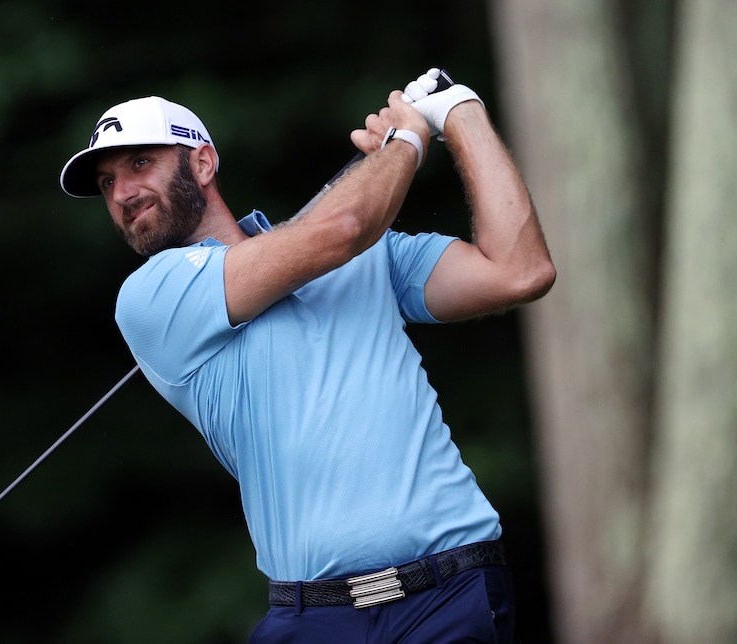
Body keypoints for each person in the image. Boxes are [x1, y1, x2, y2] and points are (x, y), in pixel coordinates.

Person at [59, 69, 555, 643]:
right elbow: (343, 225)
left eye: (140, 164)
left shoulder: (368, 255)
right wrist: (406, 143)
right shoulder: (149, 299)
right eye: (106, 183)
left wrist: (458, 113)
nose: (121, 193)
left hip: (450, 593)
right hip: (314, 619)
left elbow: (520, 271)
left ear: (201, 163)